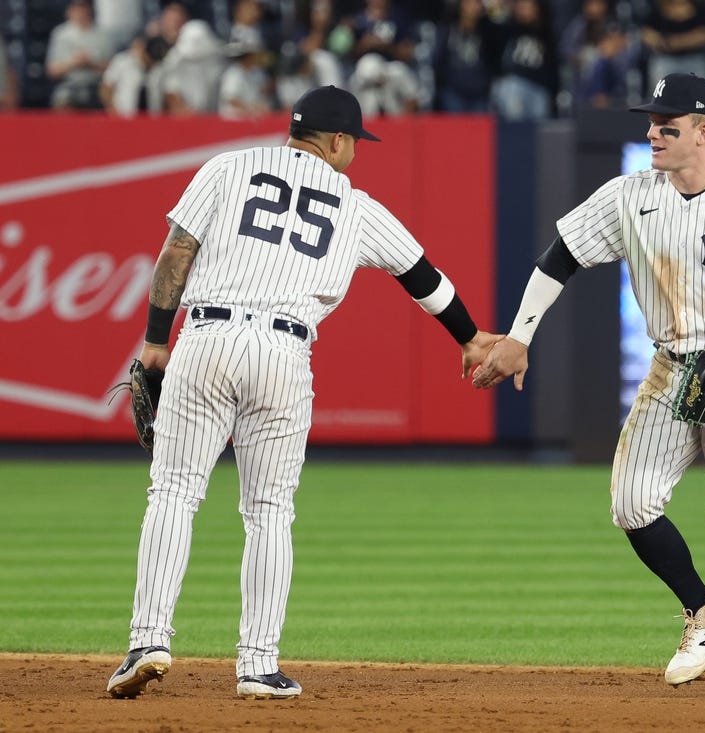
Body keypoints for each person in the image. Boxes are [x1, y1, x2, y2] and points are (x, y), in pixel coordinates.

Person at [106, 85, 502, 701]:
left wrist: (157, 341)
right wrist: (472, 337)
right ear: (339, 141)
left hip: (206, 336)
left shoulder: (227, 166)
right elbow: (425, 278)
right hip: (285, 351)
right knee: (268, 510)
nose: (356, 153)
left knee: (175, 492)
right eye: (355, 143)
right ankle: (258, 665)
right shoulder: (356, 205)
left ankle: (148, 641)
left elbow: (176, 251)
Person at [472, 73, 705, 699]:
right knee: (631, 504)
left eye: (667, 125)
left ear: (702, 132)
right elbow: (561, 255)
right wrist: (519, 335)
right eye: (651, 123)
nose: (652, 133)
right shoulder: (630, 195)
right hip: (671, 365)